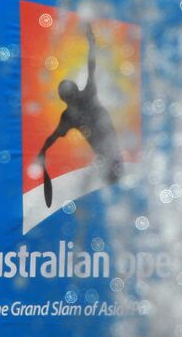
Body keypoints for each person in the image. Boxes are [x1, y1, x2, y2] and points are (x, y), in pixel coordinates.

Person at [38, 23, 123, 207]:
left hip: (109, 143)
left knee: (114, 169)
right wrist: (43, 151)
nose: (71, 98)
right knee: (112, 174)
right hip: (104, 149)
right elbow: (51, 138)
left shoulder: (80, 102)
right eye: (68, 95)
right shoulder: (69, 115)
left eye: (70, 94)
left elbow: (91, 65)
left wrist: (92, 43)